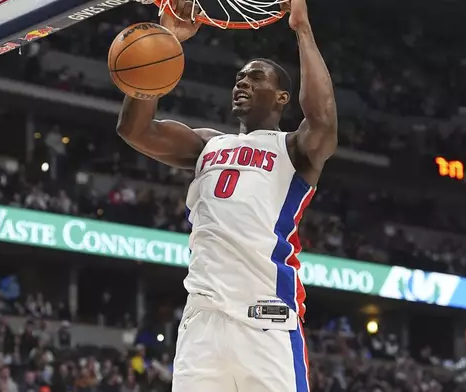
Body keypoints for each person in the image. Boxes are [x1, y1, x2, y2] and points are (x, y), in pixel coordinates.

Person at [116, 0, 337, 390]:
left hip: (266, 317)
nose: (242, 82)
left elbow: (323, 119)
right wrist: (166, 40)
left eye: (256, 78)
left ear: (282, 97)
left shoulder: (294, 149)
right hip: (202, 320)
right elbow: (135, 130)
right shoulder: (206, 145)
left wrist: (302, 29)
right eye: (239, 77)